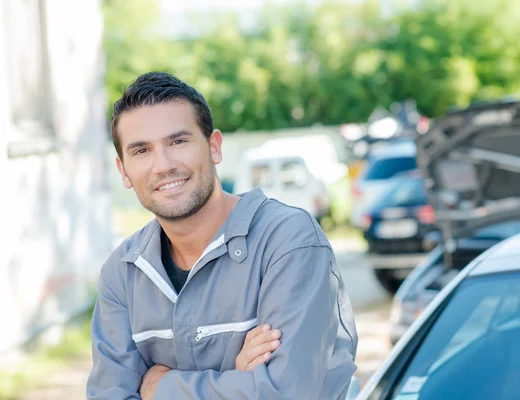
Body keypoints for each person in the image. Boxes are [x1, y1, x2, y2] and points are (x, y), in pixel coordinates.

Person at [87, 71, 358, 399]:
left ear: (214, 147)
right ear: (123, 171)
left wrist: (160, 388)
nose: (163, 165)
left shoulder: (288, 242)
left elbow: (286, 393)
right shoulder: (122, 274)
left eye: (178, 141)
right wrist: (236, 379)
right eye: (142, 151)